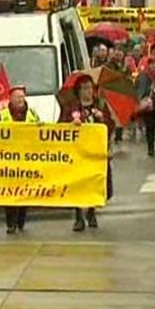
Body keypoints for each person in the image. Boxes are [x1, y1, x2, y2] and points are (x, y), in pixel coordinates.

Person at [59, 75, 114, 232]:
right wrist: (71, 124)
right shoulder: (72, 107)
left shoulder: (100, 105)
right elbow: (61, 125)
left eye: (90, 88)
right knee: (78, 184)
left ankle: (91, 212)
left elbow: (110, 126)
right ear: (78, 90)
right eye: (84, 88)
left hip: (95, 153)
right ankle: (78, 217)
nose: (88, 92)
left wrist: (102, 119)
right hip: (78, 153)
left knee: (94, 183)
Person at [0, 86, 40, 234]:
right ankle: (10, 223)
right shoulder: (2, 114)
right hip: (8, 159)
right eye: (17, 97)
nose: (21, 99)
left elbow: (41, 131)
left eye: (22, 97)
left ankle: (21, 220)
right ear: (11, 99)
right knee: (9, 193)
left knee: (24, 192)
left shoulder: (32, 112)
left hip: (27, 159)